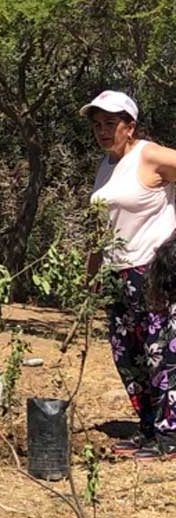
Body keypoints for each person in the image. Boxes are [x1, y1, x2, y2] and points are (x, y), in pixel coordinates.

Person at [86, 90, 176, 461]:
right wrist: (90, 273)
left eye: (111, 124)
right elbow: (100, 225)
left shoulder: (149, 155)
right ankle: (147, 428)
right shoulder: (107, 165)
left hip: (153, 269)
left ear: (130, 126)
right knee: (129, 354)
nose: (103, 131)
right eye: (97, 125)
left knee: (162, 352)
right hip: (116, 272)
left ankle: (171, 434)